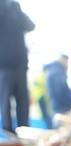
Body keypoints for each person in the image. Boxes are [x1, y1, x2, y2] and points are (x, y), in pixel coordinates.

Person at [0, 0, 35, 132]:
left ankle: (24, 132)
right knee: (5, 102)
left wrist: (16, 10)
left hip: (19, 64)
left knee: (22, 101)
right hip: (3, 66)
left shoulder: (15, 7)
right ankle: (8, 133)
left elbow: (31, 25)